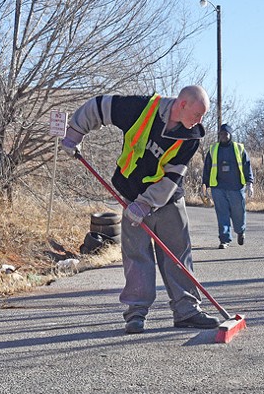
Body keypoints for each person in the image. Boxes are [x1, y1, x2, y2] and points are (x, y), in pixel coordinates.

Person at [60, 85, 221, 333]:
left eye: (202, 117)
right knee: (137, 257)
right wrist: (75, 132)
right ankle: (135, 313)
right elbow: (99, 106)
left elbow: (172, 177)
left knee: (178, 255)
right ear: (182, 104)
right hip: (130, 193)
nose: (199, 122)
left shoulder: (193, 136)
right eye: (197, 114)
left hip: (166, 199)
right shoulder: (141, 108)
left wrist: (146, 204)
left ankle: (187, 310)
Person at [201, 124, 254, 249]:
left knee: (238, 213)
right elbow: (207, 168)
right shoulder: (213, 149)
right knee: (222, 214)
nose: (223, 136)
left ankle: (240, 231)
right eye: (221, 134)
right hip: (218, 187)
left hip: (236, 187)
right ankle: (224, 240)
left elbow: (247, 166)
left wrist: (250, 183)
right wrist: (205, 185)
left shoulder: (239, 149)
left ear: (230, 135)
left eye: (226, 134)